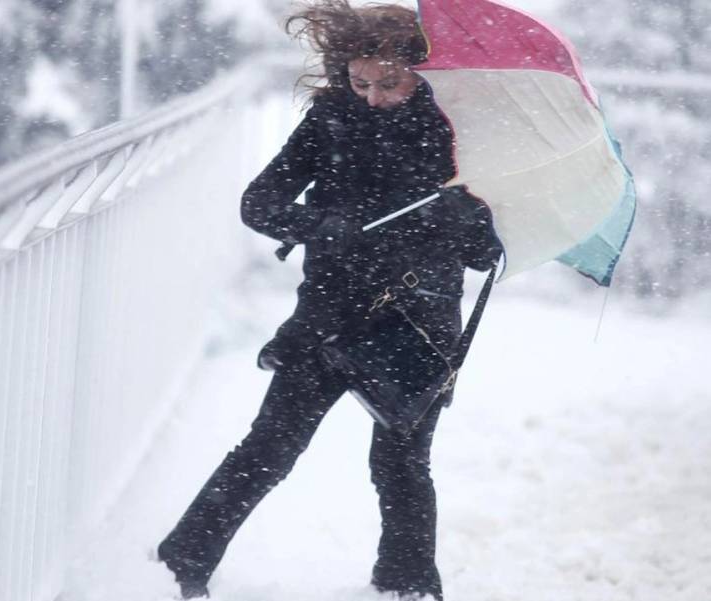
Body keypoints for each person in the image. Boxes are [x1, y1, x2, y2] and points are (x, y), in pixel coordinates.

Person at [156, 2, 502, 600]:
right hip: (327, 318)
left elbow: (486, 253)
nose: (372, 96)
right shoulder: (331, 120)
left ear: (423, 71)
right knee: (270, 448)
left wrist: (465, 217)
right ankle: (180, 562)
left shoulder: (460, 131)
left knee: (400, 464)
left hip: (418, 324)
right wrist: (325, 224)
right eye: (359, 82)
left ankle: (409, 585)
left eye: (388, 83)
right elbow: (259, 203)